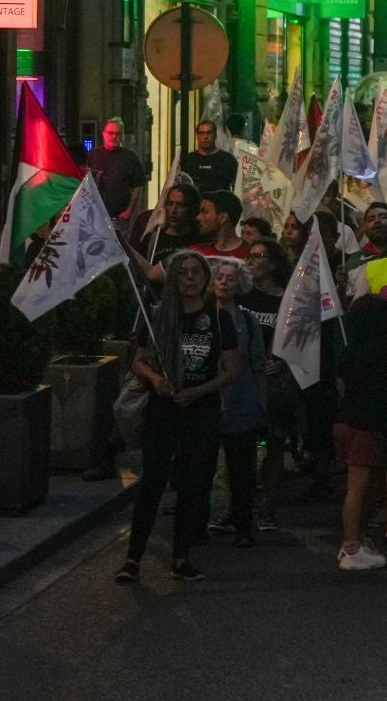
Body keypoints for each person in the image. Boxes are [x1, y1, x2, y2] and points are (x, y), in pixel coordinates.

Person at [115, 251, 243, 583]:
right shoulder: (158, 316)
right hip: (164, 407)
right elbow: (138, 361)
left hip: (201, 410)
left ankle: (181, 556)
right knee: (153, 482)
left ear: (205, 278)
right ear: (173, 278)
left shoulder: (217, 319)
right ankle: (133, 558)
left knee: (194, 484)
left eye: (195, 272)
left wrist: (198, 392)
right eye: (182, 272)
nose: (189, 278)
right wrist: (156, 380)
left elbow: (231, 370)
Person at [333, 277, 387, 571]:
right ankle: (352, 546)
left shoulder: (349, 352)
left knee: (361, 486)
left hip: (345, 424)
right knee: (358, 488)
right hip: (367, 426)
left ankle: (356, 541)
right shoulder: (382, 354)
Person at [205, 257, 267, 548]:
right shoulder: (200, 318)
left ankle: (243, 524)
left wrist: (260, 403)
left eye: (230, 278)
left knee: (241, 469)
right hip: (206, 403)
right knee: (202, 468)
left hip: (242, 404)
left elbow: (257, 364)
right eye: (219, 277)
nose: (224, 281)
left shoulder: (248, 321)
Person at [238, 238, 293, 534]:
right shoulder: (243, 296)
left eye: (259, 256)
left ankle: (267, 504)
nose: (252, 261)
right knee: (244, 446)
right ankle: (241, 504)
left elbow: (295, 339)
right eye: (249, 256)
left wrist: (281, 362)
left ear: (273, 263)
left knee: (274, 445)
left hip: (274, 383)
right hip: (244, 380)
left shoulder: (286, 300)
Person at [190, 191, 248, 270]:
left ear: (223, 218)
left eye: (205, 212)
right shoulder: (195, 252)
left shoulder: (249, 253)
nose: (198, 217)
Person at [179, 120, 239, 195]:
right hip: (195, 205)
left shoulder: (228, 159)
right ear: (197, 136)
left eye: (209, 133)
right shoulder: (188, 159)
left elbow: (238, 187)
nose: (205, 137)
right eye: (202, 133)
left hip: (221, 204)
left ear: (215, 135)